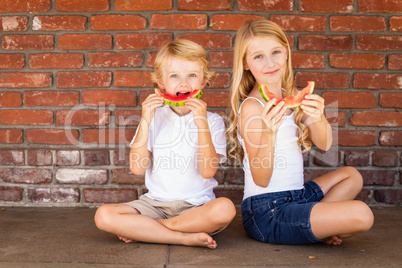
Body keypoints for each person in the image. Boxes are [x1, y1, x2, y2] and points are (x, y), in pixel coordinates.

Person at [226, 19, 374, 245]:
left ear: (286, 53)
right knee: (362, 215)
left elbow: (324, 145)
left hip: (297, 196)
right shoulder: (252, 107)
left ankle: (317, 226)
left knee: (352, 176)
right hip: (267, 211)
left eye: (276, 52)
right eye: (258, 56)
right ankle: (319, 226)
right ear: (245, 63)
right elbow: (261, 179)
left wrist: (318, 116)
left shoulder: (292, 94)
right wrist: (268, 134)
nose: (270, 63)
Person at [95, 39, 236, 249]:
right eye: (174, 76)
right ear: (161, 83)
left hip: (197, 206)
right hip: (154, 204)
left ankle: (150, 229)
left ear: (203, 82)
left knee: (225, 209)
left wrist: (201, 123)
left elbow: (208, 171)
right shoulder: (153, 118)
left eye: (192, 75)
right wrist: (145, 119)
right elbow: (137, 167)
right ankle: (183, 237)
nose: (184, 83)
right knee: (103, 215)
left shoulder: (213, 121)